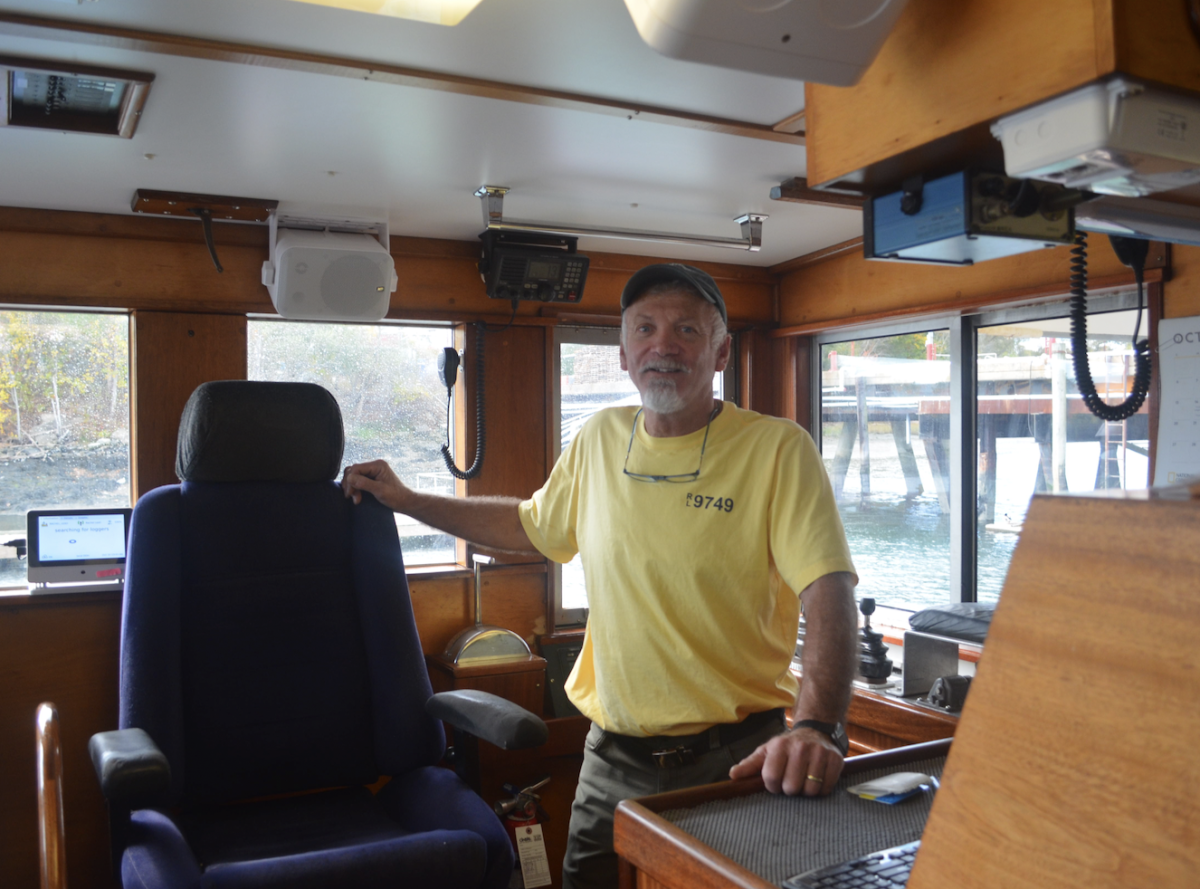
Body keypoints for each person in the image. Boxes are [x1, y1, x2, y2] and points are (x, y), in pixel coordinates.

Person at [342, 263, 858, 889]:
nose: (663, 345)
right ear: (622, 353)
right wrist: (409, 500)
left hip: (735, 758)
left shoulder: (778, 449)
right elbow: (529, 528)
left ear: (720, 352)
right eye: (645, 328)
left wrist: (815, 726)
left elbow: (829, 596)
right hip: (610, 759)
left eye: (687, 331)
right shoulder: (599, 437)